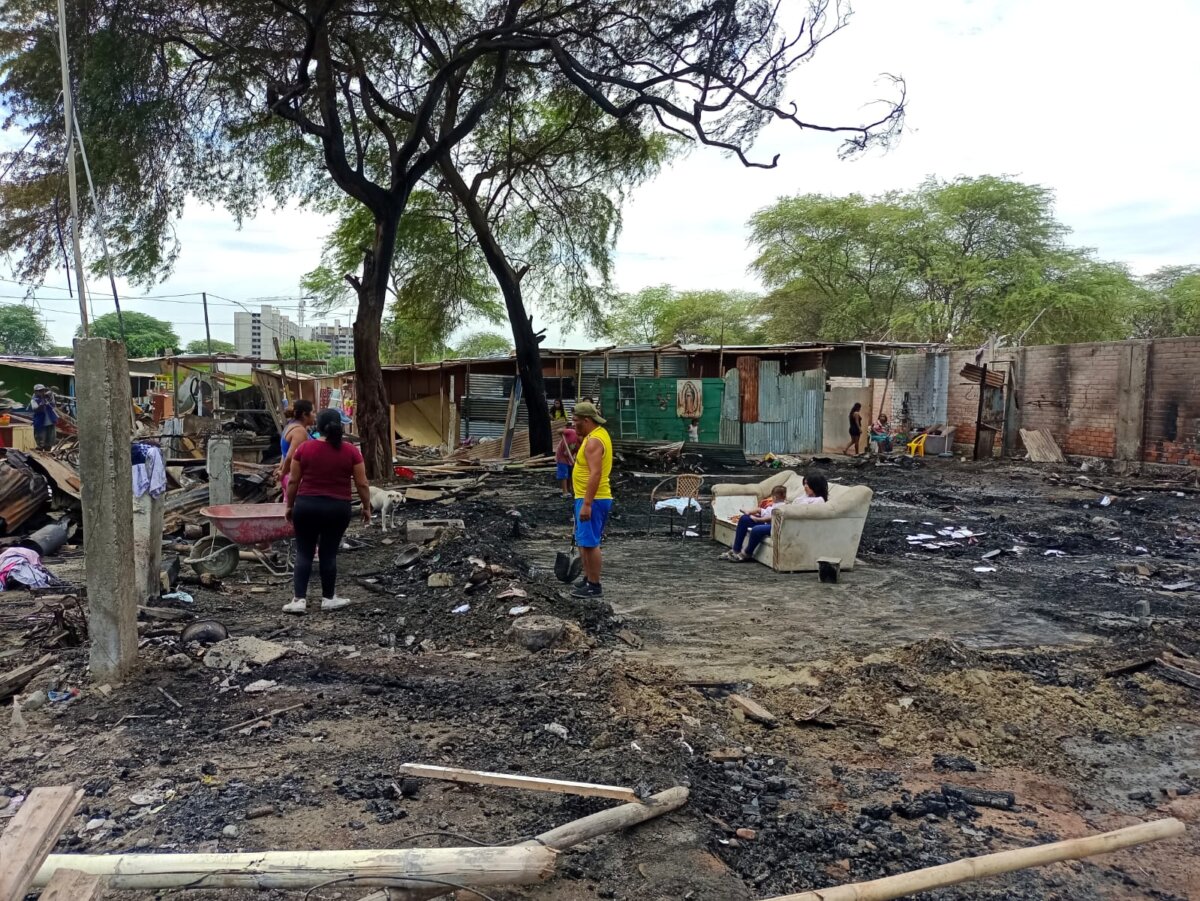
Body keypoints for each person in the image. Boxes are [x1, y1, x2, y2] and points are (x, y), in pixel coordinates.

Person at [283, 409, 371, 615]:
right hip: (337, 509)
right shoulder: (351, 451)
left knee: (304, 552)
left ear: (318, 427)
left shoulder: (304, 449)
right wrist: (366, 507)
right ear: (339, 425)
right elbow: (362, 483)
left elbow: (294, 481)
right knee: (328, 553)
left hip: (306, 507)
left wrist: (289, 505)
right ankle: (328, 598)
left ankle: (299, 600)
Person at [570, 400, 612, 598]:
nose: (573, 424)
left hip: (593, 499)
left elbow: (595, 473)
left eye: (576, 420)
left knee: (590, 542)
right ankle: (588, 579)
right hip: (586, 497)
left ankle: (594, 585)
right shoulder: (596, 435)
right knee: (583, 540)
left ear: (587, 420)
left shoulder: (595, 441)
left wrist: (587, 504)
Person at [721, 485, 787, 562]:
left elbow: (773, 517)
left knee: (756, 530)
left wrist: (758, 519)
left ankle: (747, 553)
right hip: (765, 522)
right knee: (744, 519)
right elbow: (761, 510)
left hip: (773, 526)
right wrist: (749, 512)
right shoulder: (773, 505)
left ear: (774, 497)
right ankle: (736, 549)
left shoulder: (783, 507)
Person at [278, 400, 316, 493]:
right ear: (304, 414)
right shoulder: (299, 431)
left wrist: (281, 469)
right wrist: (282, 473)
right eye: (313, 412)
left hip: (291, 476)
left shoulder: (290, 426)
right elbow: (291, 456)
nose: (315, 415)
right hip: (296, 479)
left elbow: (284, 454)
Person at [30, 385, 58, 451]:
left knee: (50, 441)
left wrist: (50, 397)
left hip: (51, 422)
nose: (42, 392)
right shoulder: (34, 400)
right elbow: (35, 409)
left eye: (43, 390)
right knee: (40, 441)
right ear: (35, 392)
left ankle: (48, 454)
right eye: (40, 391)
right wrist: (41, 405)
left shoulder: (48, 398)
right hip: (40, 423)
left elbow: (53, 405)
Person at [555, 426, 579, 499]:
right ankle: (565, 492)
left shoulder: (582, 442)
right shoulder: (571, 432)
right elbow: (559, 430)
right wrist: (561, 432)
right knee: (564, 474)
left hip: (570, 458)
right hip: (561, 456)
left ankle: (570, 490)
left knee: (571, 474)